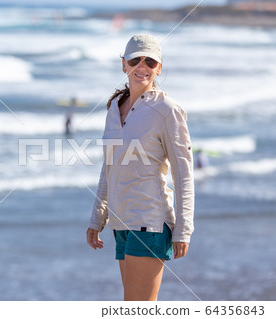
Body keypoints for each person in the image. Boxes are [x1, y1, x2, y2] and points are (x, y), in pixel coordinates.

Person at [86, 34, 194, 301]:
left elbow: (184, 174)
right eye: (135, 59)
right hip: (120, 224)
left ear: (159, 67)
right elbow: (108, 167)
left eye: (150, 60)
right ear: (124, 64)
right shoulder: (113, 108)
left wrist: (184, 228)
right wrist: (97, 217)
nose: (142, 65)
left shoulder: (168, 110)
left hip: (150, 222)